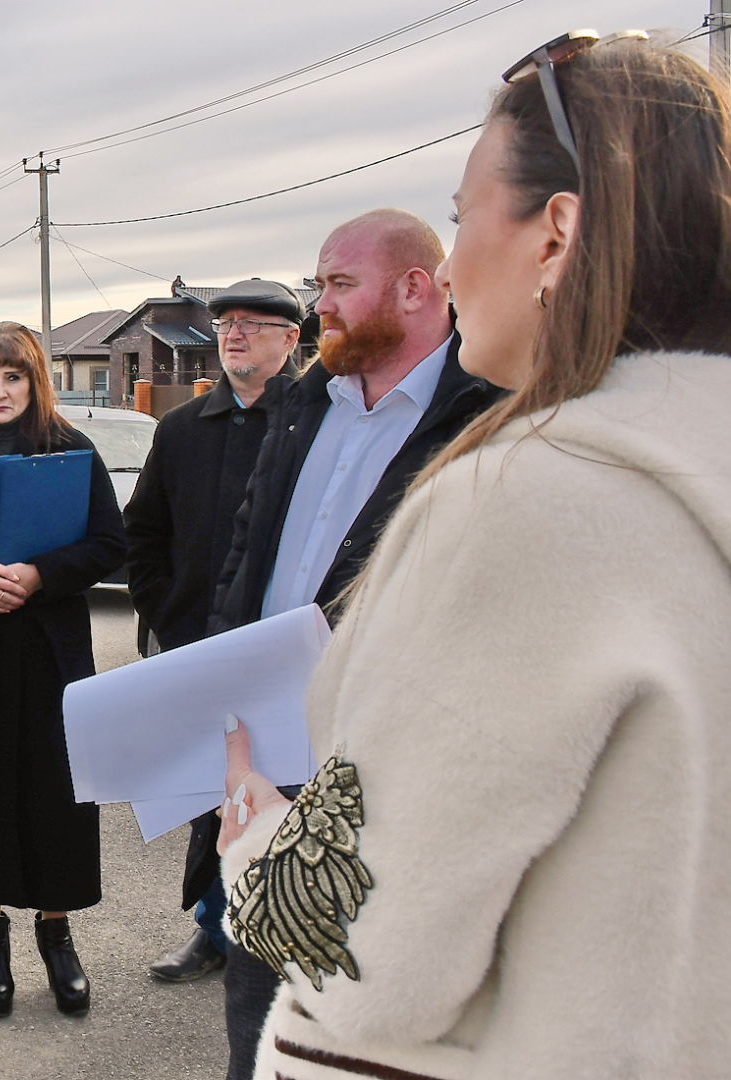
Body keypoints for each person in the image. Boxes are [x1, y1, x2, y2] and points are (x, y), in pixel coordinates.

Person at [217, 30, 731, 1079]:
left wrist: (255, 842)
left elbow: (368, 949)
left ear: (555, 233)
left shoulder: (525, 502)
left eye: (460, 218)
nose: (447, 267)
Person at [205, 208, 497, 1078]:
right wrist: (222, 693)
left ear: (414, 289)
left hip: (389, 770)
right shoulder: (305, 400)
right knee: (258, 999)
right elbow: (247, 549)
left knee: (364, 1013)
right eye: (319, 282)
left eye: (338, 284)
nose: (318, 304)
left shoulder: (485, 408)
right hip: (270, 755)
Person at [0, 321, 127, 1019]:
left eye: (13, 377)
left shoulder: (71, 450)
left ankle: (57, 932)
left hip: (49, 648)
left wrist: (40, 574)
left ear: (36, 383)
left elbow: (107, 543)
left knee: (53, 790)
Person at [122, 278, 302, 984]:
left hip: (287, 649)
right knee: (210, 795)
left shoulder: (313, 423)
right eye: (226, 323)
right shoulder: (181, 430)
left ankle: (280, 931)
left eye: (254, 324)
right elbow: (143, 533)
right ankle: (213, 928)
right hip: (197, 643)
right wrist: (166, 613)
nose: (234, 334)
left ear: (290, 340)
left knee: (286, 791)